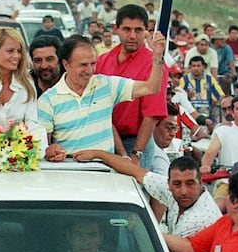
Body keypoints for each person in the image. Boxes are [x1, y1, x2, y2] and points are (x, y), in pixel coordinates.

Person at [38, 31, 166, 162]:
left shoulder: (106, 85)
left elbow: (151, 88)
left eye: (92, 64)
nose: (89, 70)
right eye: (83, 65)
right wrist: (51, 151)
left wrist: (157, 56)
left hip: (105, 172)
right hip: (68, 173)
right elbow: (43, 149)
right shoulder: (47, 101)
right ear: (66, 64)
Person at [72, 153, 221, 252]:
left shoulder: (201, 218)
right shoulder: (173, 190)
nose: (183, 191)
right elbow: (134, 171)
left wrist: (140, 229)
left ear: (201, 182)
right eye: (177, 184)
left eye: (190, 183)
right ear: (168, 184)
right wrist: (99, 154)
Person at [95, 4, 168, 169]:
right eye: (127, 29)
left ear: (146, 30)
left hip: (136, 143)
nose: (132, 36)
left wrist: (136, 154)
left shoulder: (155, 65)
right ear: (116, 29)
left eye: (138, 30)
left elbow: (151, 115)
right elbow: (99, 106)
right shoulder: (103, 60)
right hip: (104, 138)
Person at [163, 171, 238, 252]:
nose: (225, 198)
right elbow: (190, 247)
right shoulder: (226, 222)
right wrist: (152, 234)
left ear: (236, 202)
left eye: (227, 194)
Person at [51, 218, 126, 252]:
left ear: (100, 238)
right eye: (78, 235)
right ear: (69, 237)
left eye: (92, 235)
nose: (85, 242)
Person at [179, 56, 224, 130]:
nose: (196, 68)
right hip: (190, 115)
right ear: (190, 67)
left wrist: (215, 114)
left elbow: (220, 97)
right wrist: (186, 96)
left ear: (204, 67)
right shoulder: (184, 80)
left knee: (216, 128)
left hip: (208, 115)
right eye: (193, 66)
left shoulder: (210, 79)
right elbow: (179, 97)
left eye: (198, 66)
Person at [211, 29, 235, 95]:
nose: (223, 41)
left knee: (226, 82)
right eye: (221, 39)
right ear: (216, 40)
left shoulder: (226, 48)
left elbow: (230, 61)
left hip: (223, 72)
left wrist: (233, 72)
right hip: (210, 72)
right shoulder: (209, 48)